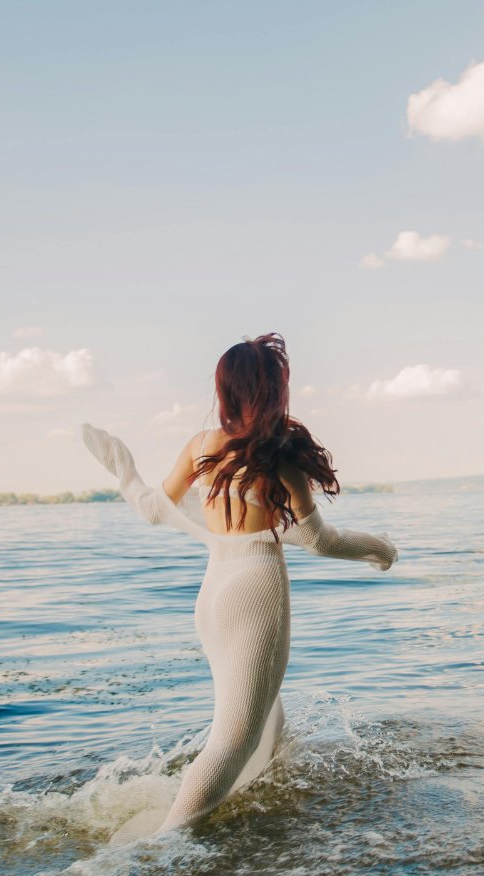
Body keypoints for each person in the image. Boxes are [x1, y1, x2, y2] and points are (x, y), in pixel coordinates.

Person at [81, 332, 397, 835]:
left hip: (213, 594)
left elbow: (153, 509)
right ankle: (163, 846)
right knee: (232, 741)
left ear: (225, 391)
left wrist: (123, 467)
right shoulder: (279, 457)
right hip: (256, 589)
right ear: (274, 390)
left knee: (267, 717)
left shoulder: (201, 446)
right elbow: (319, 540)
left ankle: (259, 814)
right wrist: (382, 550)